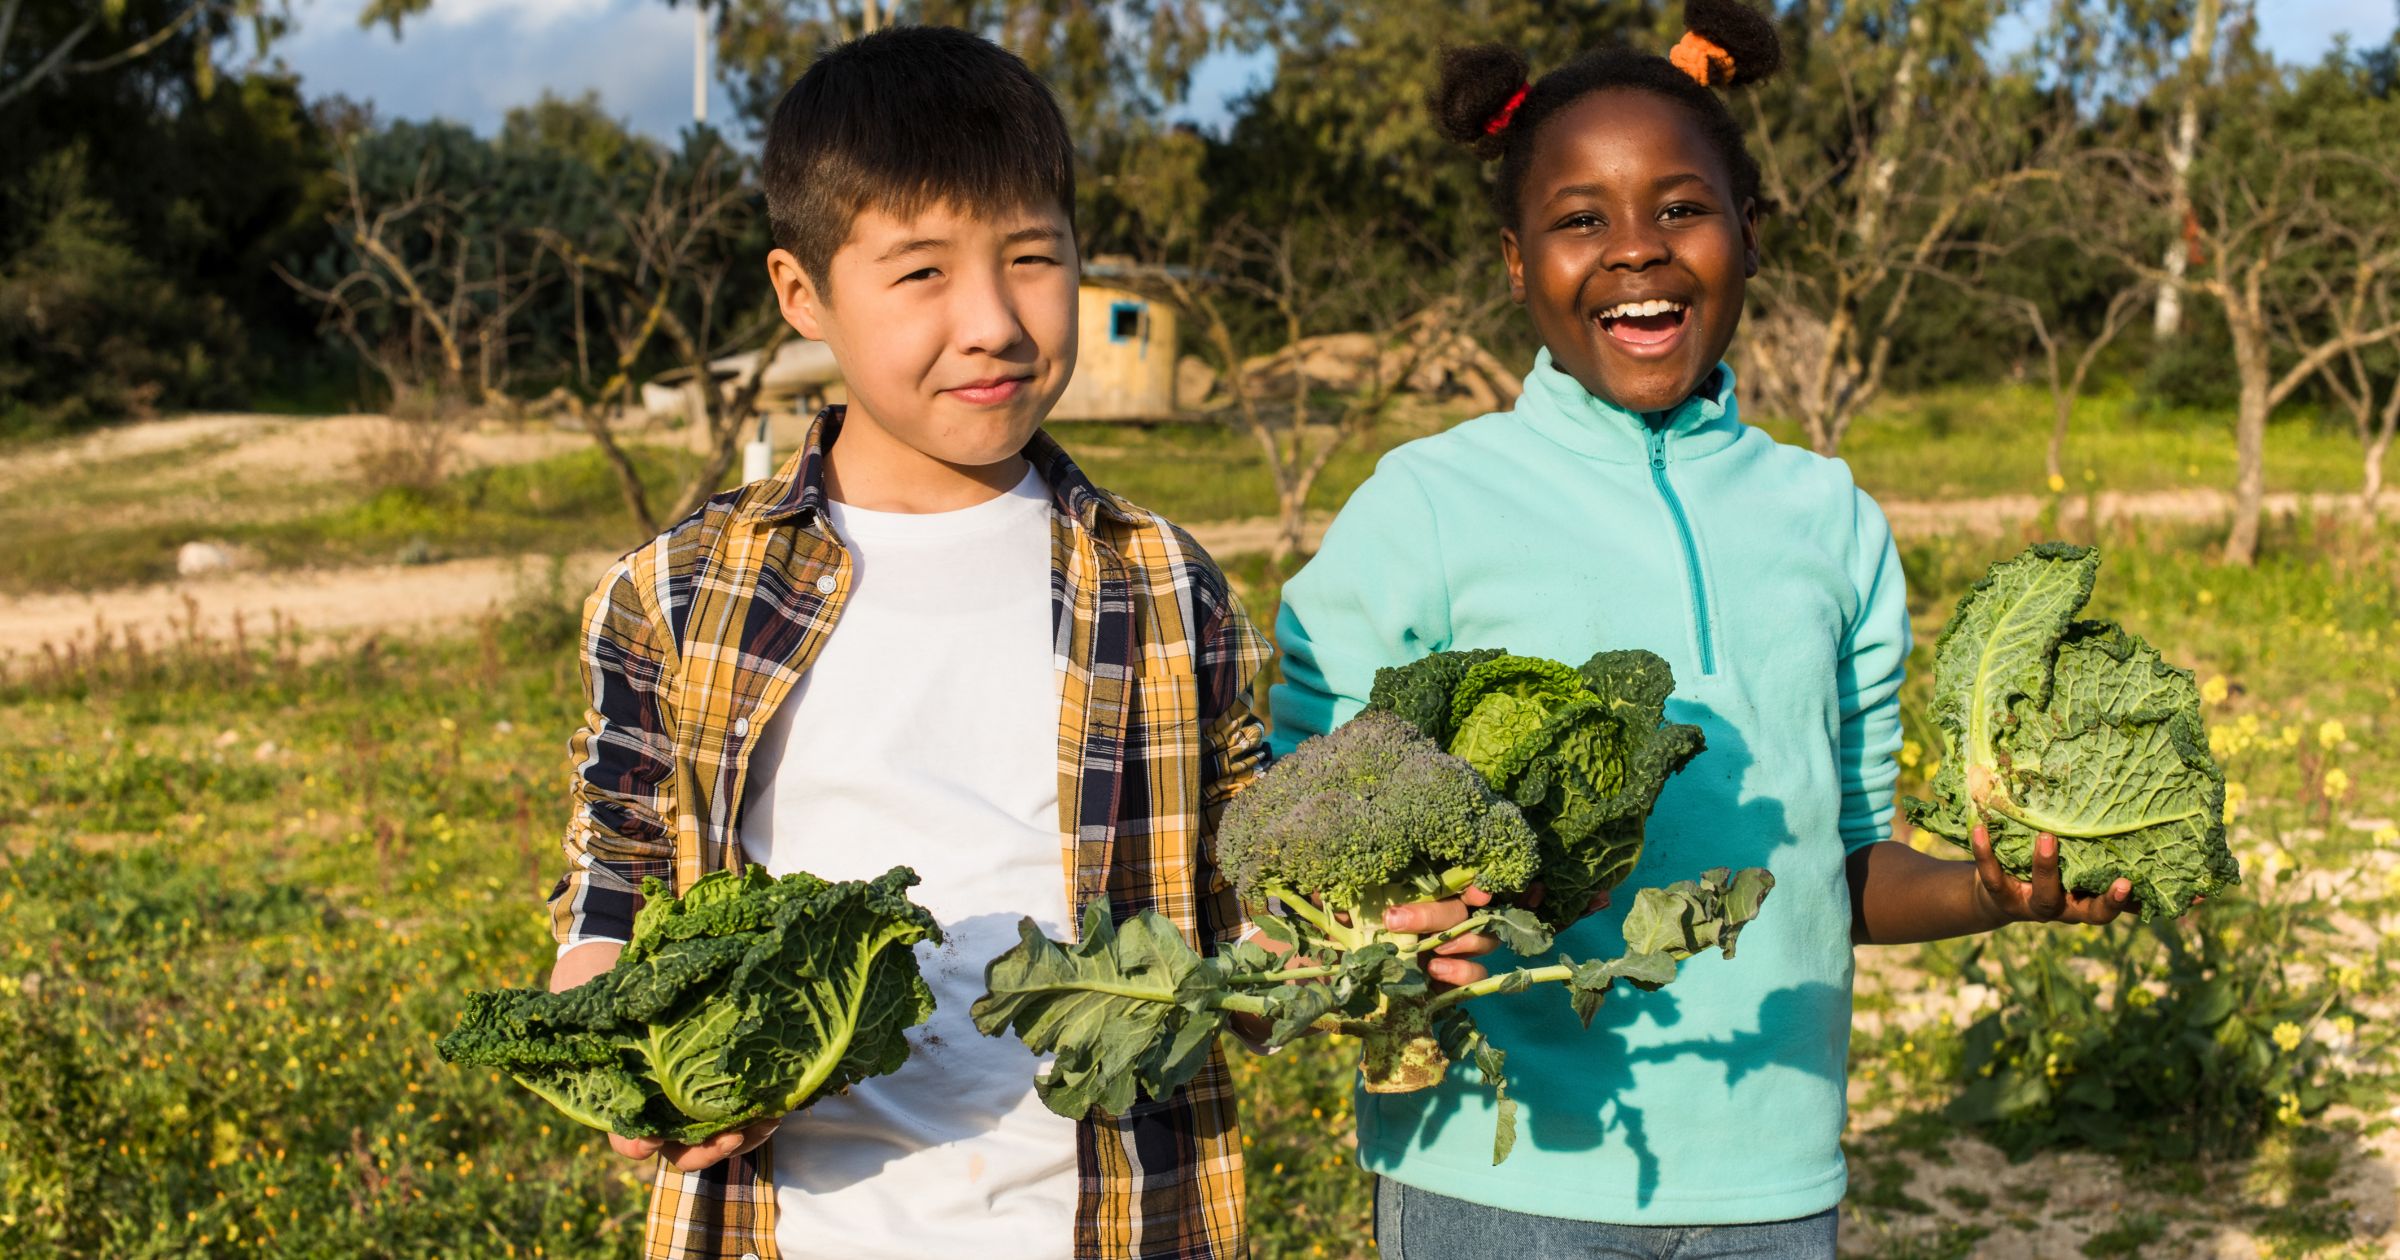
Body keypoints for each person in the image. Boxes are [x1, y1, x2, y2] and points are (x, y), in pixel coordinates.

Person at [1268, 3, 2144, 1256]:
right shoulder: (1426, 504)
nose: (1637, 252)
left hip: (1772, 1177)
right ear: (1516, 264)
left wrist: (1987, 892)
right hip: (1495, 1174)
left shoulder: (1831, 519)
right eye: (1581, 220)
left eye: (1680, 208)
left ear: (1751, 233)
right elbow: (1299, 815)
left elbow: (1844, 866)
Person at [540, 26, 1282, 1259]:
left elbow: (1241, 894)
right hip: (786, 1223)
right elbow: (614, 874)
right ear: (802, 293)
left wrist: (1349, 940)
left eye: (1033, 258)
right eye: (922, 272)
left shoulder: (1162, 581)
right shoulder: (677, 590)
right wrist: (625, 1046)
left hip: (1115, 1217)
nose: (991, 320)